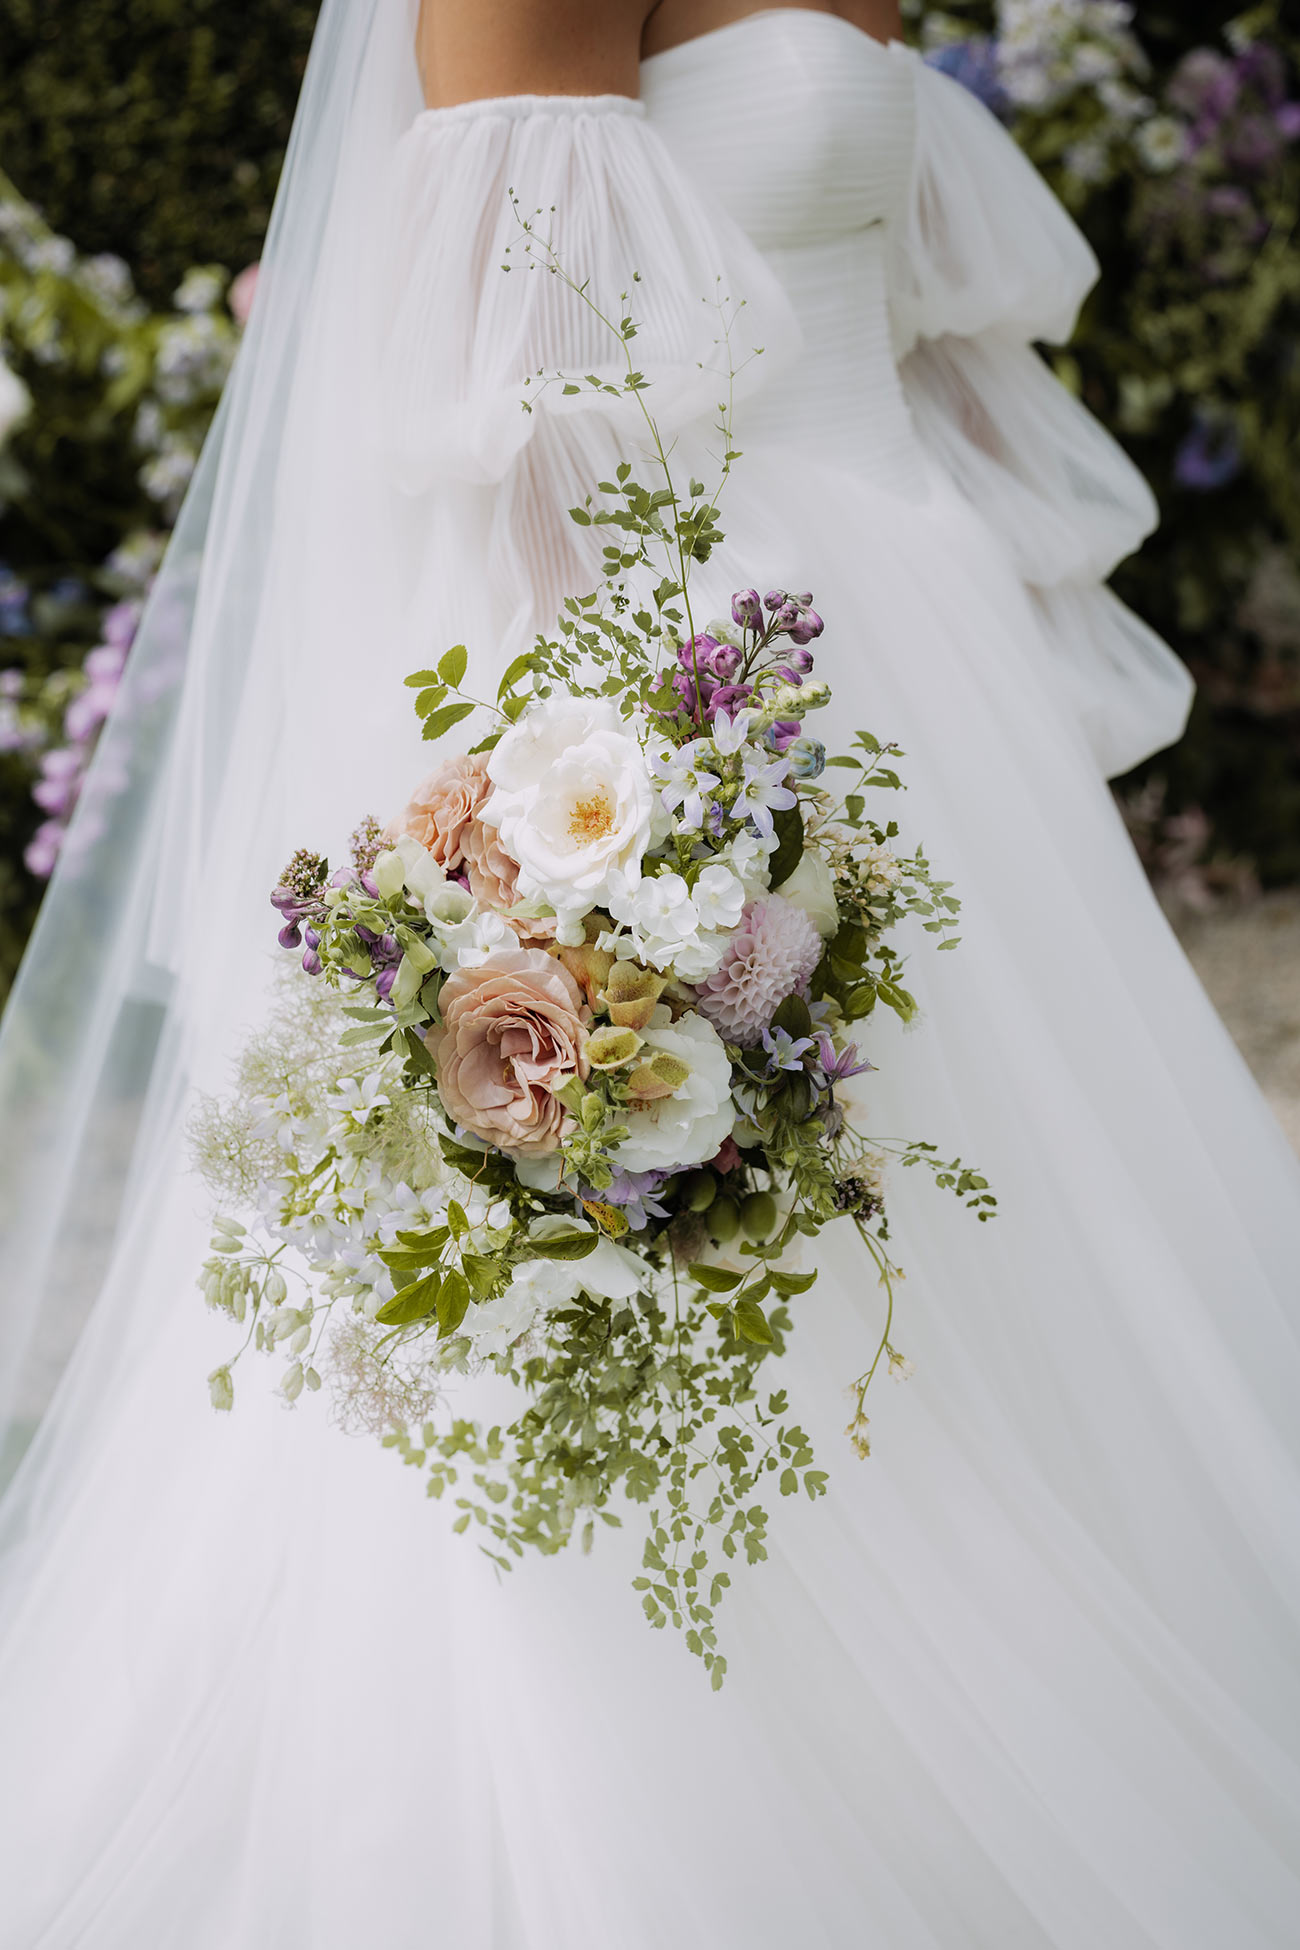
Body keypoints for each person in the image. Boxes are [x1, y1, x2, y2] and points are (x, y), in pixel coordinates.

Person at [1, 3, 1298, 1943]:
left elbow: (883, 320)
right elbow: (518, 414)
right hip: (680, 728)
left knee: (998, 1274)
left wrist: (947, 658)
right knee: (695, 1295)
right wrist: (576, 872)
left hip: (903, 706)